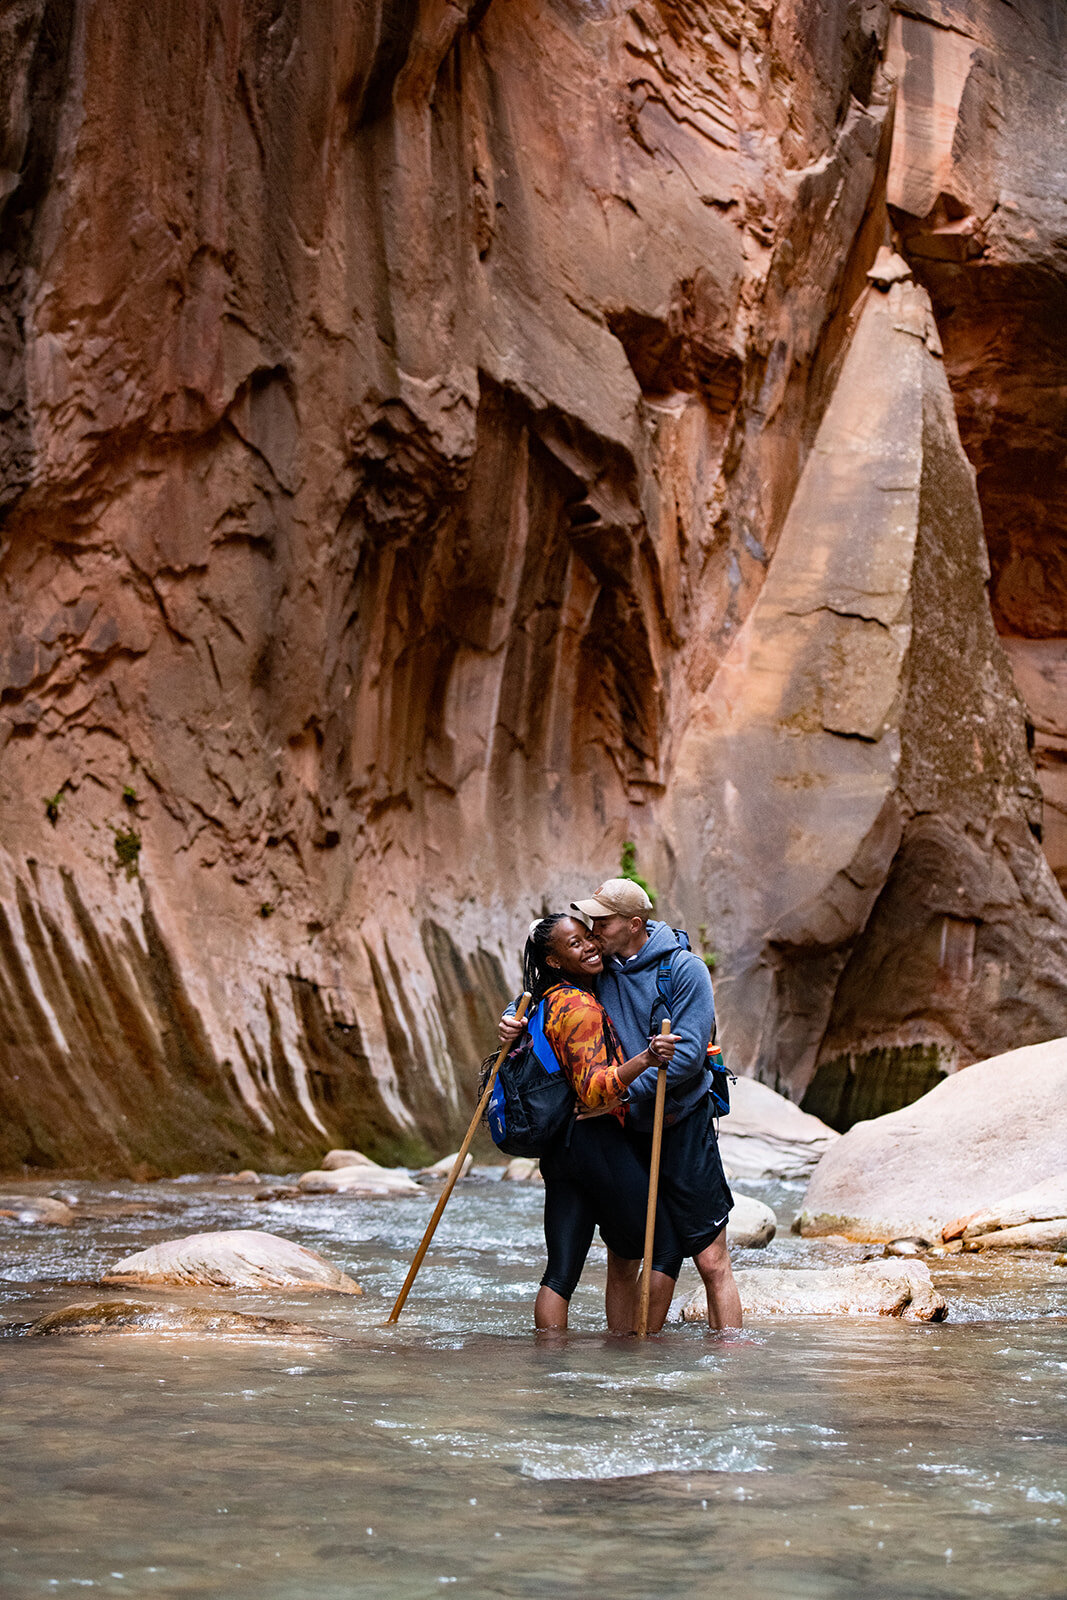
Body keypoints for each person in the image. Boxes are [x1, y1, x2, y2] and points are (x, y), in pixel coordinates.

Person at [502, 881, 742, 1331]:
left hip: (681, 1122)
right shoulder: (601, 967)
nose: (594, 932)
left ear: (634, 925)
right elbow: (548, 979)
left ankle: (728, 1367)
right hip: (628, 1129)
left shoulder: (685, 970)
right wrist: (512, 1018)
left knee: (711, 1261)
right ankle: (627, 1353)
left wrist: (622, 1092)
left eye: (602, 922)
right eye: (589, 924)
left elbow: (688, 1058)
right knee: (624, 1256)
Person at [520, 912, 684, 1334]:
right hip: (594, 1139)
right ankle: (638, 1358)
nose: (589, 946)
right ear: (554, 961)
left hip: (560, 1146)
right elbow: (593, 1090)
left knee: (560, 1274)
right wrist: (646, 1059)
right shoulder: (579, 1007)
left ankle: (550, 1370)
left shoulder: (546, 999)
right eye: (574, 944)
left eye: (589, 937)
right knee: (664, 1246)